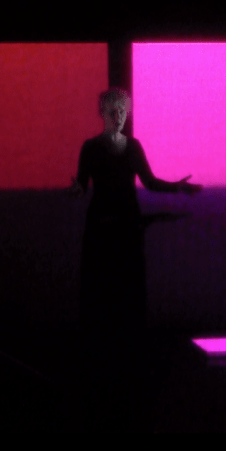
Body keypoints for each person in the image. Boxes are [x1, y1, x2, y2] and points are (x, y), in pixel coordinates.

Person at [68, 87, 202, 430]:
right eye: (114, 110)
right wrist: (76, 190)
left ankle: (124, 359)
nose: (119, 116)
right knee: (102, 291)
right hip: (104, 227)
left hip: (127, 227)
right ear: (103, 112)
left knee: (127, 292)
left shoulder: (133, 146)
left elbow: (150, 182)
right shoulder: (91, 147)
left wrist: (178, 187)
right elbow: (82, 184)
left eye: (123, 110)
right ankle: (104, 360)